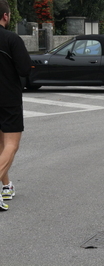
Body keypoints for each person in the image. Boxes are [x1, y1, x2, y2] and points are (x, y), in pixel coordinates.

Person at [0, 0, 31, 211]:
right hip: (7, 98)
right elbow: (24, 69)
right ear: (5, 16)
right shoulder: (11, 39)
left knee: (1, 146)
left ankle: (6, 186)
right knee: (11, 144)